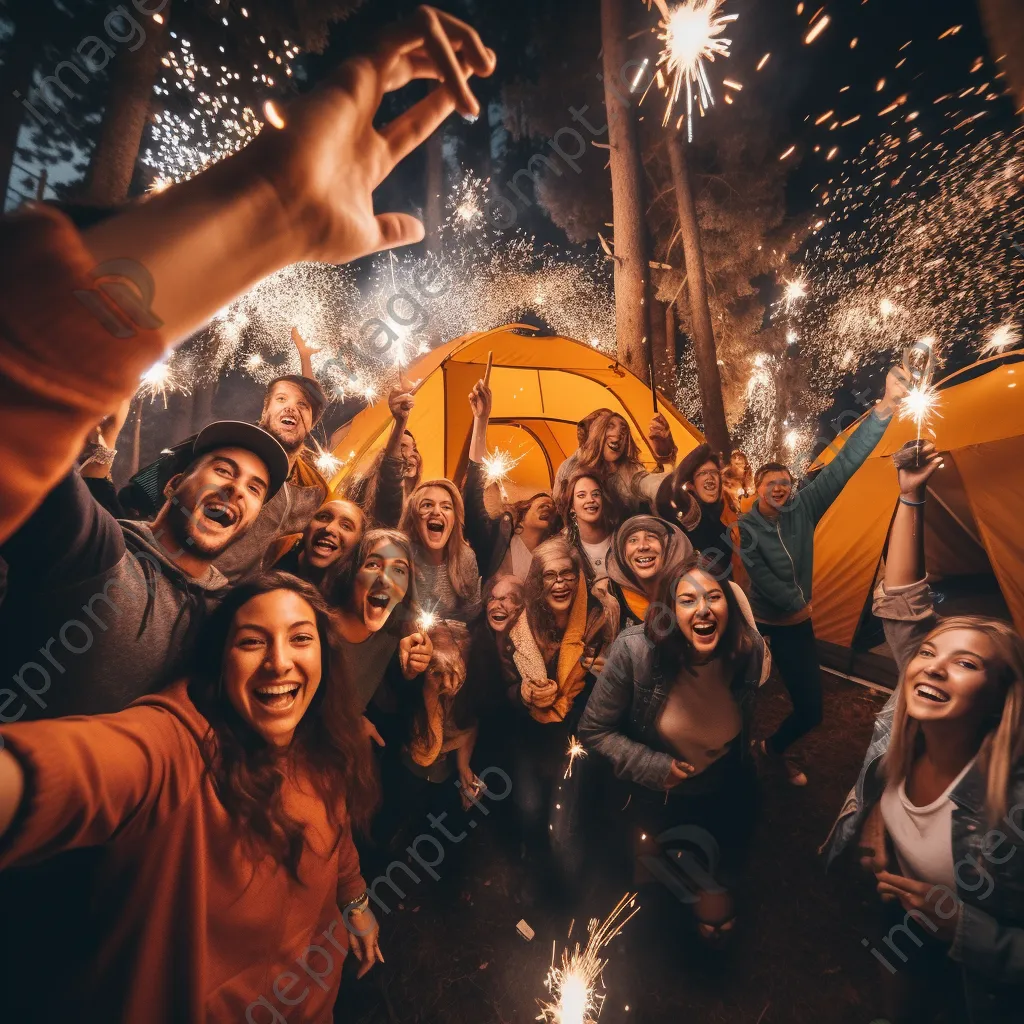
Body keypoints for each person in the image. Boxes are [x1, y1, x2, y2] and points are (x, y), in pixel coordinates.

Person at [0, 6, 496, 548]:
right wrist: (259, 212)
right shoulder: (184, 465)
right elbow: (102, 508)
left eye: (304, 409)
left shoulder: (310, 492)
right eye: (285, 400)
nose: (292, 410)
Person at [0, 573, 381, 1023]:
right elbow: (68, 770)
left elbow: (335, 837)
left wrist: (355, 901)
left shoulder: (324, 742)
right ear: (220, 661)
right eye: (252, 642)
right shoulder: (176, 747)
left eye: (301, 638)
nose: (279, 662)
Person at [823, 440, 1024, 1023]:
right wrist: (909, 497)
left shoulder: (1012, 797)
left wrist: (967, 928)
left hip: (985, 987)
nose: (933, 665)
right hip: (903, 917)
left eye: (966, 662)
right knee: (899, 973)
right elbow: (904, 607)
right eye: (930, 652)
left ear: (999, 698)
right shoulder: (908, 726)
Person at [0, 421, 289, 719]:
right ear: (173, 484)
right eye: (223, 471)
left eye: (254, 488)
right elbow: (25, 441)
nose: (236, 488)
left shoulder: (228, 615)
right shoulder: (98, 548)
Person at [580, 555, 768, 946]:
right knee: (652, 893)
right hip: (656, 797)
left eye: (713, 597)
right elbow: (593, 730)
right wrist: (654, 766)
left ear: (729, 606)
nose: (702, 609)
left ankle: (707, 927)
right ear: (669, 609)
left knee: (717, 882)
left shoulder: (747, 651)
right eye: (687, 600)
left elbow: (743, 719)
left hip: (724, 786)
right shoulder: (635, 652)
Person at [738, 367, 909, 786]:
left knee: (811, 709)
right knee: (736, 699)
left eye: (785, 483)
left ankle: (771, 749)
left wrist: (885, 407)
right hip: (756, 626)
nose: (779, 489)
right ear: (756, 490)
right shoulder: (745, 527)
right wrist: (797, 603)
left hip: (797, 627)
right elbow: (759, 576)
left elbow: (843, 464)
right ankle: (731, 762)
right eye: (770, 484)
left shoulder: (803, 509)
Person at [505, 538, 612, 895]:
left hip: (576, 734)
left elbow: (613, 692)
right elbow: (502, 685)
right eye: (550, 576)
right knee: (530, 807)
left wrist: (602, 674)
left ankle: (569, 890)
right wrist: (524, 693)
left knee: (566, 820)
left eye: (567, 573)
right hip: (530, 734)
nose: (561, 583)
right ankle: (532, 864)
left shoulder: (598, 617)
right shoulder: (522, 624)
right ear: (537, 582)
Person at [327, 529, 433, 725]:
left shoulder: (392, 640)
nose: (385, 579)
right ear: (352, 573)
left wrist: (409, 674)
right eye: (373, 564)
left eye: (399, 570)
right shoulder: (316, 629)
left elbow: (391, 710)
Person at [463, 375, 559, 579]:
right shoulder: (494, 541)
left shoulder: (553, 560)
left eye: (551, 510)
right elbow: (472, 499)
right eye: (542, 504)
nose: (548, 509)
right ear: (520, 519)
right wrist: (481, 421)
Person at [655, 443, 748, 589]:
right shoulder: (687, 518)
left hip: (730, 593)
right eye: (702, 473)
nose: (710, 477)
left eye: (714, 472)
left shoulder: (729, 517)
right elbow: (665, 497)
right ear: (691, 485)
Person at [552, 408, 677, 515]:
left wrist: (666, 458)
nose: (617, 435)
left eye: (623, 430)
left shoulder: (630, 471)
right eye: (609, 427)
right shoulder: (570, 468)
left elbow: (649, 484)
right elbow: (559, 508)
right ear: (595, 432)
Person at [398, 479, 483, 622]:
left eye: (446, 507)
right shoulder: (399, 556)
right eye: (427, 505)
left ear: (454, 519)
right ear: (414, 516)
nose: (436, 512)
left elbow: (471, 616)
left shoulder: (465, 557)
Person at [597, 514, 693, 636]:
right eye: (633, 540)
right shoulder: (610, 598)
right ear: (622, 552)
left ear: (668, 547)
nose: (642, 546)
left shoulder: (691, 588)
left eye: (651, 537)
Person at [347, 382, 423, 527]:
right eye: (402, 446)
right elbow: (391, 479)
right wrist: (401, 421)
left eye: (415, 448)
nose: (412, 454)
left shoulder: (421, 506)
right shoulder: (367, 491)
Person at [269, 496, 366, 588]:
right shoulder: (277, 552)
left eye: (346, 526)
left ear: (357, 544)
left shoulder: (349, 597)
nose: (329, 528)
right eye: (323, 517)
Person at [562, 473, 618, 585]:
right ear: (572, 506)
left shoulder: (621, 536)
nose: (591, 499)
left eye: (596, 494)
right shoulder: (563, 545)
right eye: (581, 495)